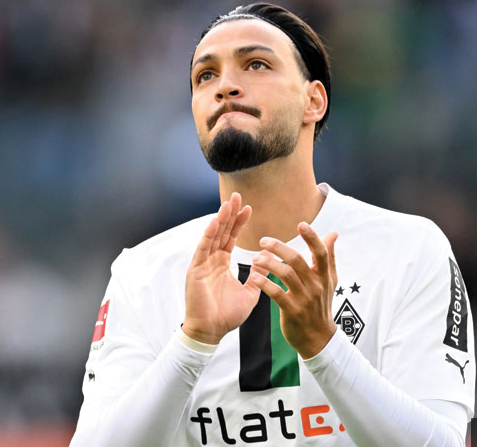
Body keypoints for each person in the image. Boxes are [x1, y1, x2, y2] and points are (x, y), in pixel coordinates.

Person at [70, 3, 475, 446]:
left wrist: (323, 346)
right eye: (205, 75)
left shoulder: (409, 250)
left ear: (313, 101)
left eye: (256, 64)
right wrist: (193, 342)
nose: (225, 86)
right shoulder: (143, 272)